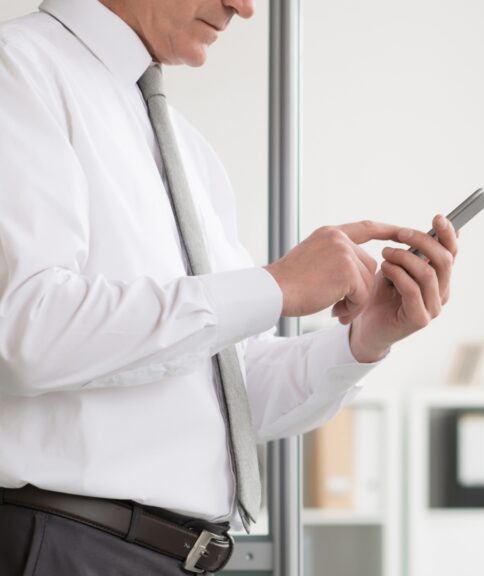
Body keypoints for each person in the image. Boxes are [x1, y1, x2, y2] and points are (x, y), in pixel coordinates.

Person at [0, 0, 459, 574]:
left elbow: (229, 399)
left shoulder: (190, 151)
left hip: (175, 557)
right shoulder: (17, 71)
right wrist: (274, 286)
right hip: (69, 547)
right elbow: (25, 332)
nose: (242, 8)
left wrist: (362, 340)